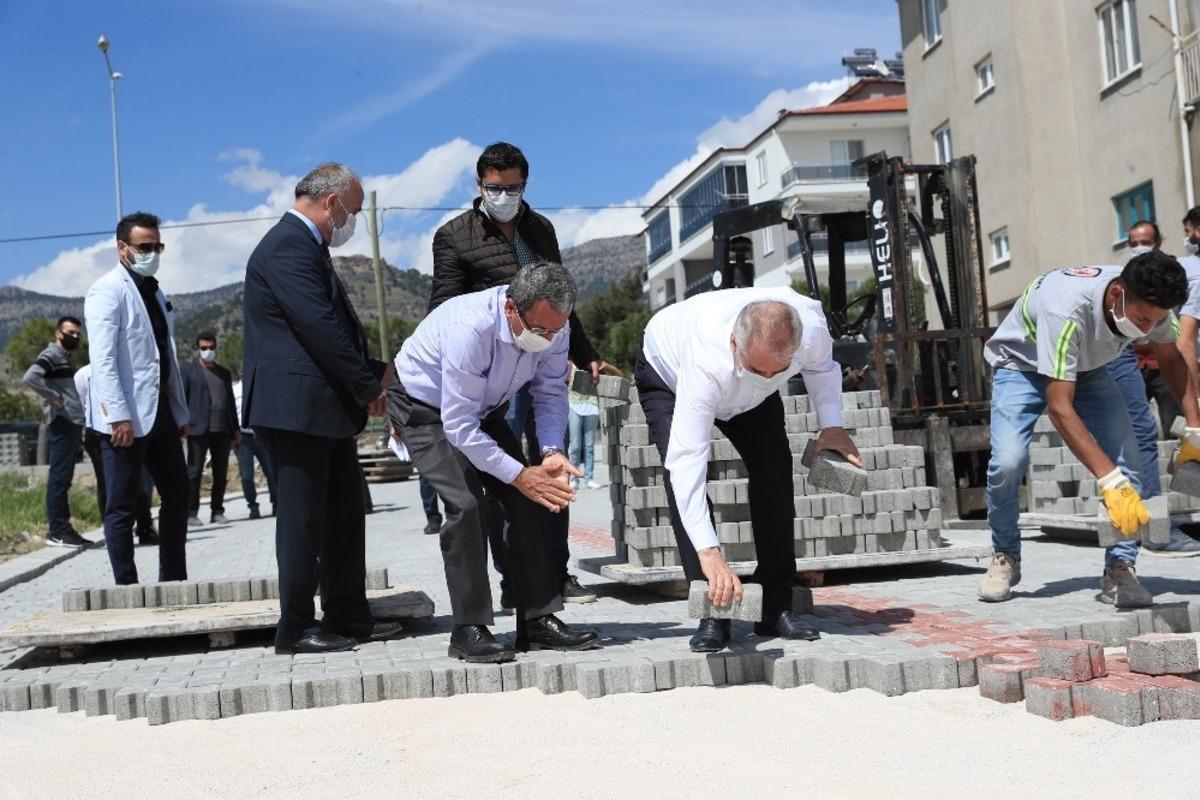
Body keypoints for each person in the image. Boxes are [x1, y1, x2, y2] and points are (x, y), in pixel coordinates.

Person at [430, 142, 613, 605]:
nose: (504, 194)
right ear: (479, 186)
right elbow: (444, 306)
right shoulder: (454, 235)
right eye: (495, 187)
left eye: (512, 187)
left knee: (554, 461)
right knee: (507, 474)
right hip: (493, 366)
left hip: (545, 355)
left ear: (525, 184)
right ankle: (515, 579)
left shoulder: (540, 229)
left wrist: (586, 352)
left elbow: (560, 298)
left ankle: (557, 571)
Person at [390, 261, 600, 663]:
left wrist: (551, 452)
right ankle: (469, 629)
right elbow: (458, 426)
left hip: (481, 406)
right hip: (425, 406)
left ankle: (537, 621)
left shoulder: (555, 323)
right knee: (467, 505)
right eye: (540, 331)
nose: (549, 339)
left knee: (526, 500)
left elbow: (551, 391)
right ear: (510, 309)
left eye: (557, 330)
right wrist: (520, 473)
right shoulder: (469, 328)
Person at [635, 286, 856, 652]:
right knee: (683, 482)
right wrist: (709, 551)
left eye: (778, 371)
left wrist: (831, 425)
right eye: (758, 369)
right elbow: (687, 462)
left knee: (774, 471)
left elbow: (822, 368)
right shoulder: (705, 359)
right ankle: (713, 610)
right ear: (735, 344)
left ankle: (775, 606)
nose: (767, 378)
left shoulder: (810, 330)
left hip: (749, 397)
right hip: (669, 374)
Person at [242, 162, 403, 655]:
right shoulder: (288, 245)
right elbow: (318, 329)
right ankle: (295, 628)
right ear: (331, 202)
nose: (351, 221)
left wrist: (377, 370)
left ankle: (348, 615)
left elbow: (326, 331)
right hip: (294, 412)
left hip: (321, 410)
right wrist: (366, 385)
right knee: (302, 522)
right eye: (352, 211)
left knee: (343, 516)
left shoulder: (305, 246)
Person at [980, 255, 1200, 607]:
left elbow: (1171, 357)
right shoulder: (1067, 310)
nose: (1146, 329)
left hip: (1087, 368)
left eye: (1154, 321)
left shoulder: (1151, 302)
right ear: (1116, 295)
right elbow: (1059, 408)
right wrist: (1108, 480)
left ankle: (1120, 567)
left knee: (1131, 462)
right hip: (1021, 364)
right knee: (1008, 463)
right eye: (1142, 319)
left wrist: (1194, 427)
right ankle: (1005, 555)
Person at [83, 211, 191, 585]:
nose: (153, 252)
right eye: (145, 246)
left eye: (157, 246)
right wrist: (117, 416)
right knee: (122, 506)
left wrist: (180, 411)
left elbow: (167, 356)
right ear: (122, 248)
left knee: (179, 495)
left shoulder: (155, 291)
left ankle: (173, 580)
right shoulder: (106, 291)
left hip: (161, 411)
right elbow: (104, 360)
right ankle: (126, 587)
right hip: (125, 418)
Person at [1105, 222, 1199, 556]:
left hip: (1157, 361)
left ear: (1159, 242)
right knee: (1140, 433)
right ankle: (1153, 530)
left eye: (1145, 241)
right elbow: (1182, 341)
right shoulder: (1128, 281)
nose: (1139, 246)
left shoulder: (1174, 279)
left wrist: (1194, 422)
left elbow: (1176, 347)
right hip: (1125, 358)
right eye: (1133, 242)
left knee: (1153, 435)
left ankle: (1152, 526)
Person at [23, 316, 89, 548]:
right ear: (58, 334)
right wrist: (53, 398)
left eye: (78, 334)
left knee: (64, 478)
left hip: (70, 423)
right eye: (70, 332)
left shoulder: (63, 358)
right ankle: (58, 530)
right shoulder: (51, 355)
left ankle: (63, 528)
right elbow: (30, 376)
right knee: (59, 479)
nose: (75, 337)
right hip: (61, 423)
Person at [75, 364, 159, 544]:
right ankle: (112, 529)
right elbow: (82, 400)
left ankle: (145, 526)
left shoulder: (125, 368)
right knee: (105, 482)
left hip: (126, 429)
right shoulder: (84, 374)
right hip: (97, 431)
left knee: (137, 480)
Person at [181, 332, 240, 527]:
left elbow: (230, 403)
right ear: (197, 349)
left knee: (220, 473)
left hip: (222, 429)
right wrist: (182, 424)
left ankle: (217, 510)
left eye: (211, 348)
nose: (208, 352)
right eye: (204, 348)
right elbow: (183, 400)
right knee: (194, 472)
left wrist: (235, 430)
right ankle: (191, 512)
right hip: (197, 429)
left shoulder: (224, 373)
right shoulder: (188, 372)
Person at [232, 373, 275, 520]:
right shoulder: (235, 390)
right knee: (247, 475)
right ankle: (253, 507)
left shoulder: (262, 388)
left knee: (271, 471)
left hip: (262, 436)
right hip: (243, 438)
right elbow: (231, 413)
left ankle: (277, 503)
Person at [566, 364, 601, 489]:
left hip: (591, 406)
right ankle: (574, 479)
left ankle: (589, 479)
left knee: (589, 446)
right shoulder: (569, 364)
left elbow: (612, 371)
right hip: (574, 406)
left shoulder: (594, 365)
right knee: (575, 446)